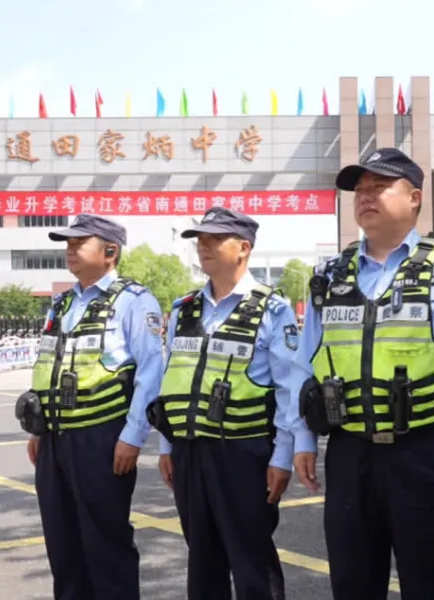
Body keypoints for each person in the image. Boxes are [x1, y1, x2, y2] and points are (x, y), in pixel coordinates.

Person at [290, 148, 434, 600]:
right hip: (350, 451)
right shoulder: (330, 275)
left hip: (425, 450)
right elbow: (305, 362)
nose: (365, 196)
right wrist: (302, 438)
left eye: (379, 186)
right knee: (352, 581)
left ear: (414, 198)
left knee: (426, 580)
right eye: (359, 190)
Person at [147, 206, 302, 600]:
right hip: (188, 452)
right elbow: (172, 381)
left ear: (244, 248)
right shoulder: (184, 310)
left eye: (215, 239)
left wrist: (282, 457)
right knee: (202, 559)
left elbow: (289, 389)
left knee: (251, 559)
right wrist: (167, 446)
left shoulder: (271, 309)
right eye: (200, 239)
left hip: (244, 452)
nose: (204, 246)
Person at [14, 213, 165, 600]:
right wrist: (39, 429)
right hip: (54, 440)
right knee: (62, 547)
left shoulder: (134, 301)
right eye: (68, 243)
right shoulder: (62, 302)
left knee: (106, 546)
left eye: (80, 243)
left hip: (102, 438)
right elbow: (49, 364)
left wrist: (132, 436)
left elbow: (151, 372)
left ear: (110, 251)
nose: (71, 250)